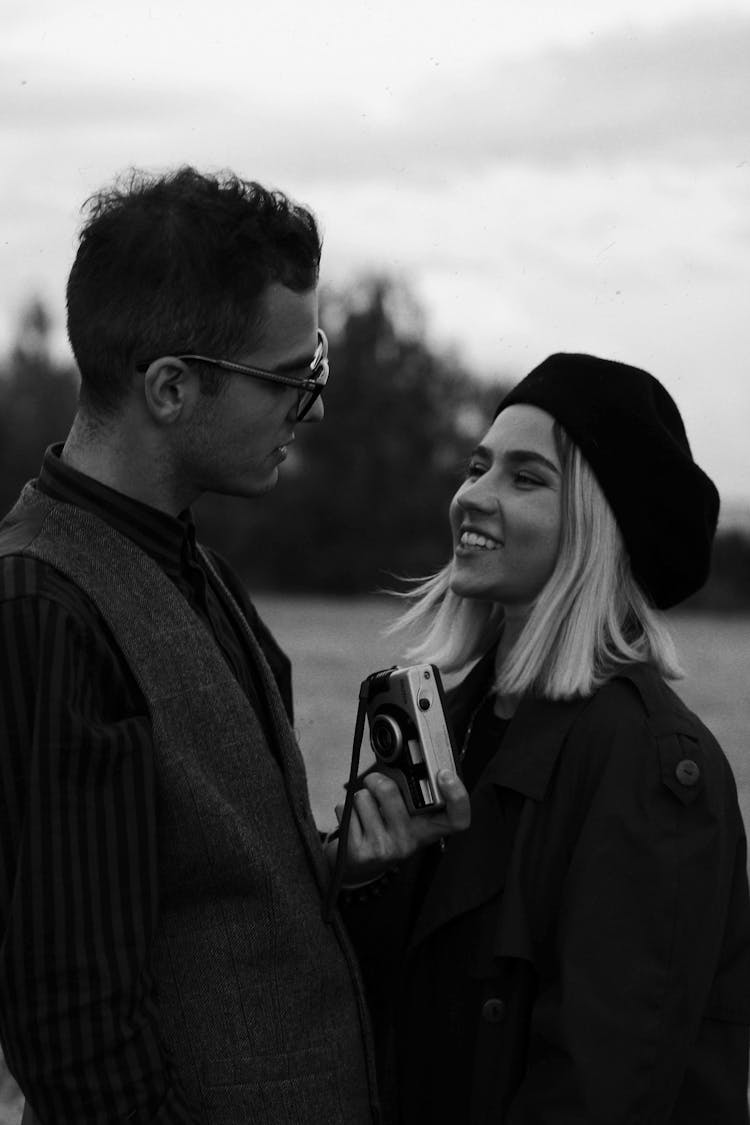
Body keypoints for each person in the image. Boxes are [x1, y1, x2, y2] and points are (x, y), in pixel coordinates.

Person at [0, 166, 469, 1125]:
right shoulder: (41, 610)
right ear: (171, 388)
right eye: (292, 378)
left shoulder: (185, 560)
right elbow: (75, 1026)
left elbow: (194, 889)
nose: (316, 404)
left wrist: (339, 863)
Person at [341, 353, 750, 1123]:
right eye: (478, 466)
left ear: (599, 528)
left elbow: (602, 1088)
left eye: (525, 479)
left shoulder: (649, 761)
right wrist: (364, 875)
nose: (473, 498)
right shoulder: (457, 722)